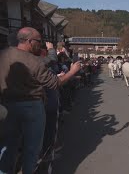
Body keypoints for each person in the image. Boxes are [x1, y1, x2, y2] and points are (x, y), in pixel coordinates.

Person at [0, 27, 81, 174]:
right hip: (31, 107)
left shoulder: (3, 55)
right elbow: (54, 83)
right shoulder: (33, 61)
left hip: (6, 107)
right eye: (39, 41)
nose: (41, 44)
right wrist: (72, 72)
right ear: (30, 41)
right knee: (31, 149)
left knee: (8, 147)